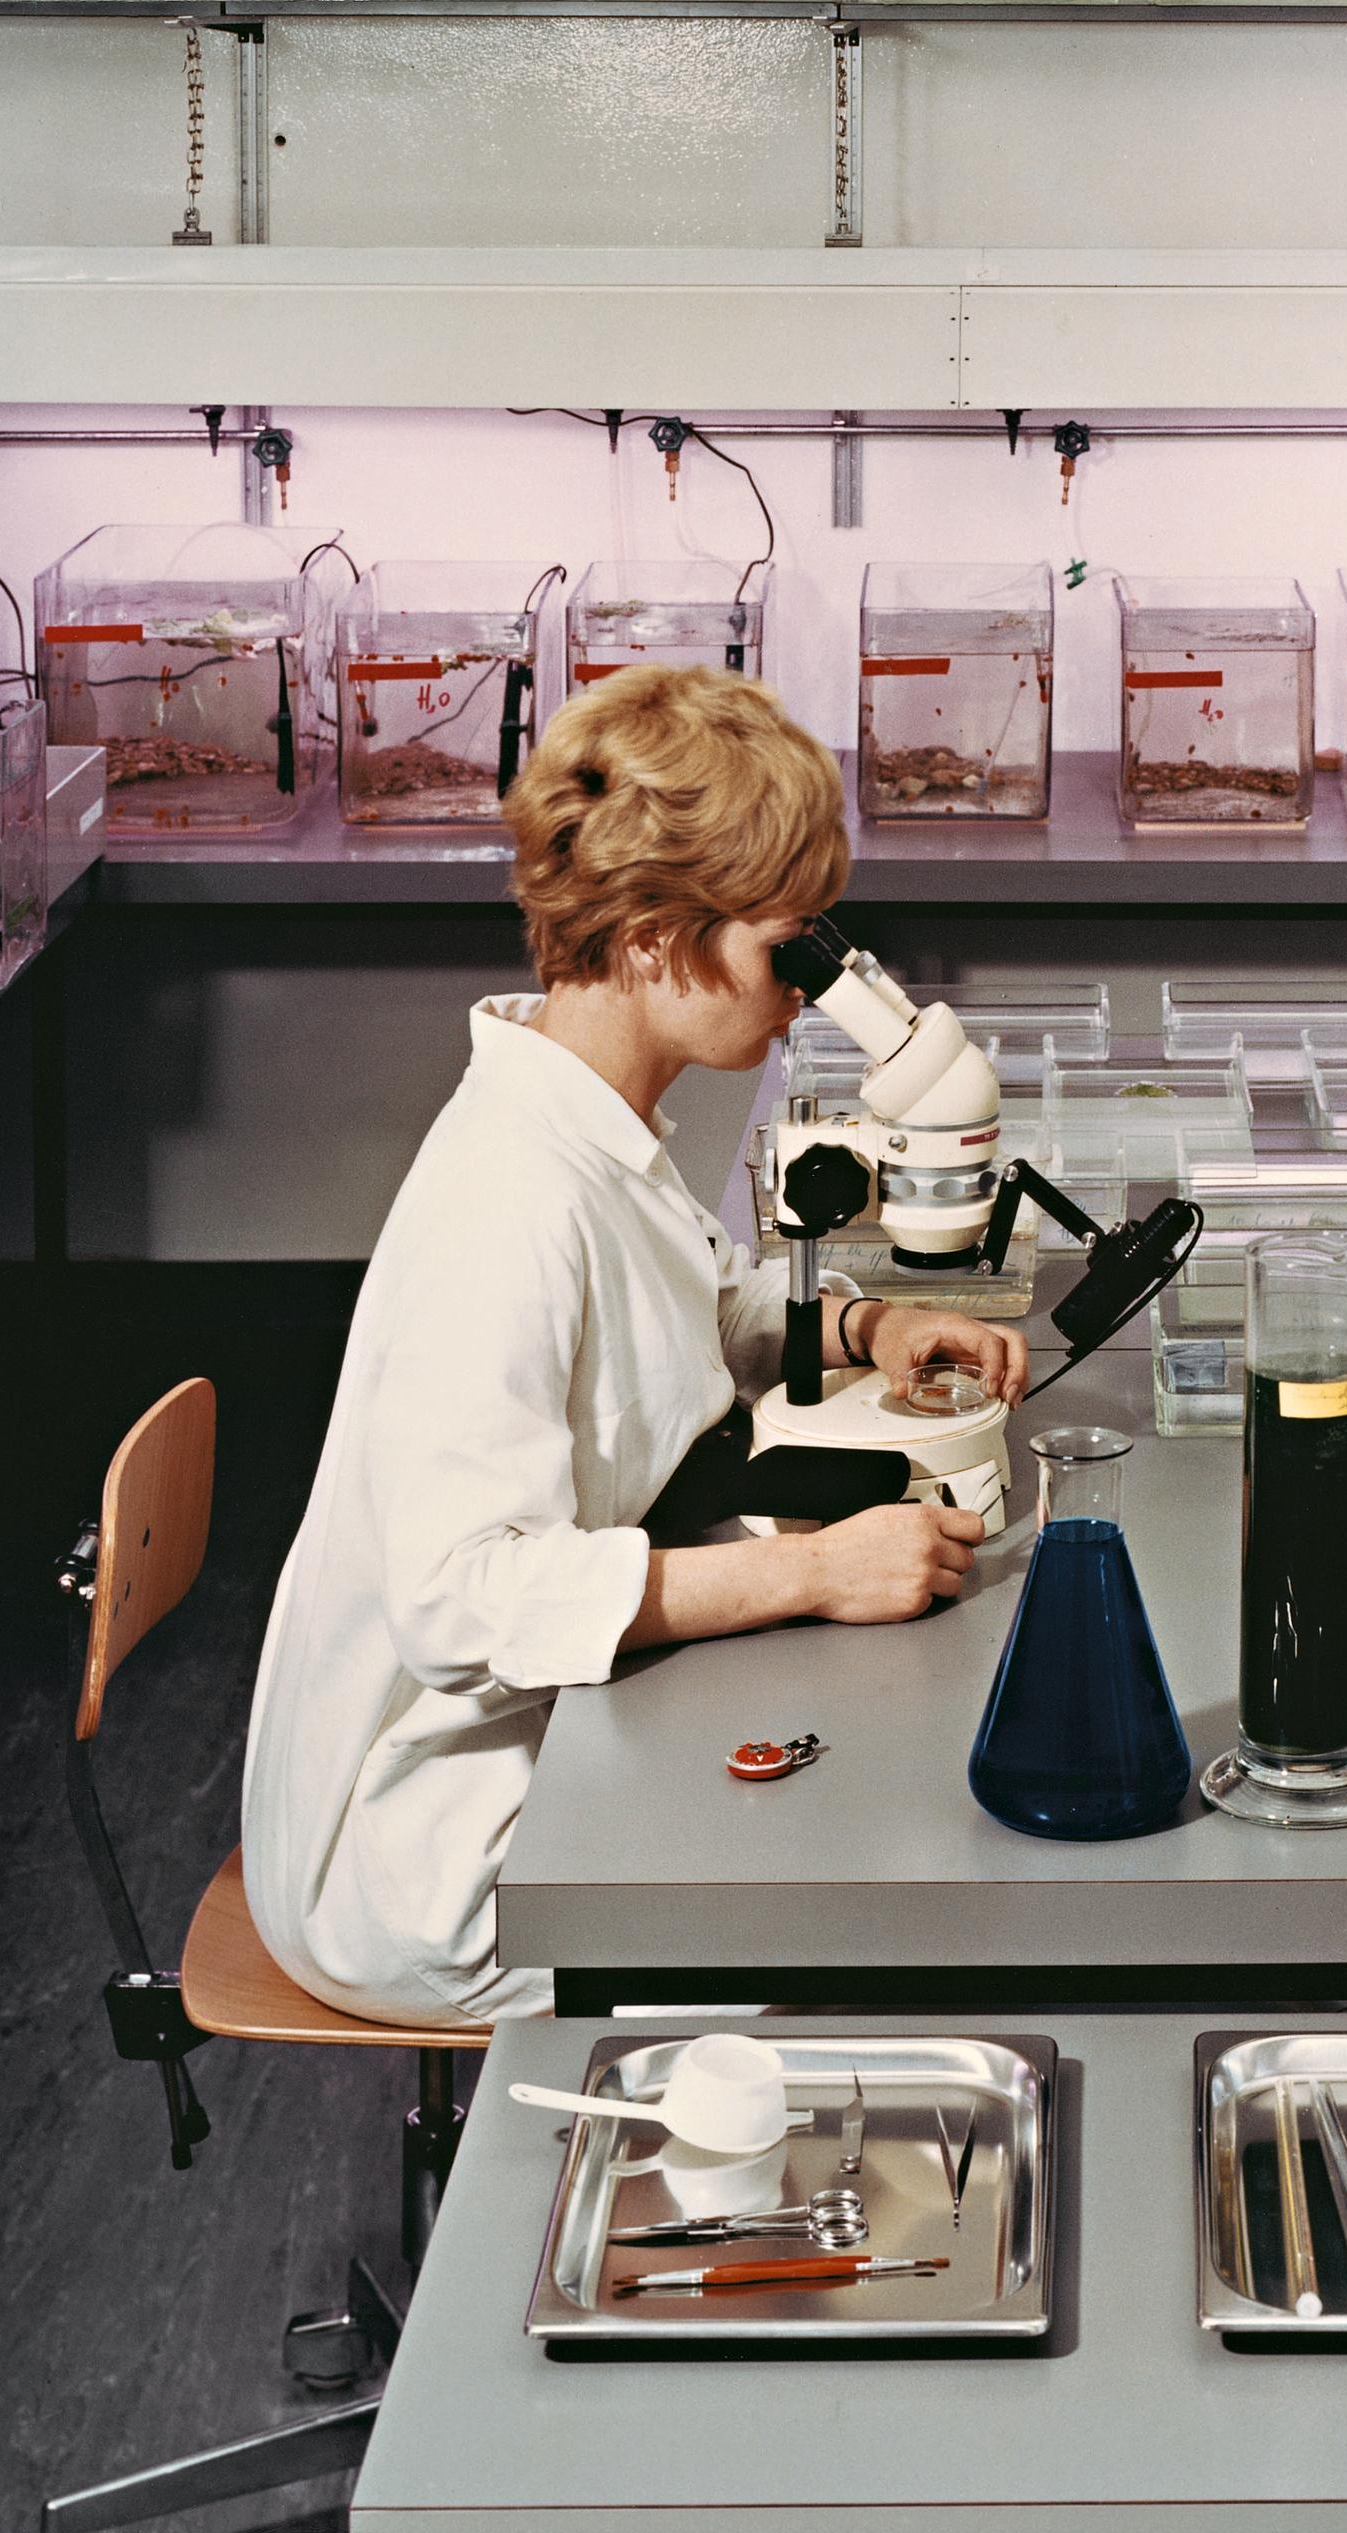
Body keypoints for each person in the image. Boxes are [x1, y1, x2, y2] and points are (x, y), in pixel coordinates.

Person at [241, 665, 1026, 2027]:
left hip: (539, 1748)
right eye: (789, 944)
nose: (808, 983)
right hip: (440, 1856)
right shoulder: (509, 1197)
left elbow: (687, 1297)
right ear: (662, 939)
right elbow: (464, 1601)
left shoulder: (582, 1114)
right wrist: (809, 1573)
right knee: (903, 1903)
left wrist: (867, 1323)